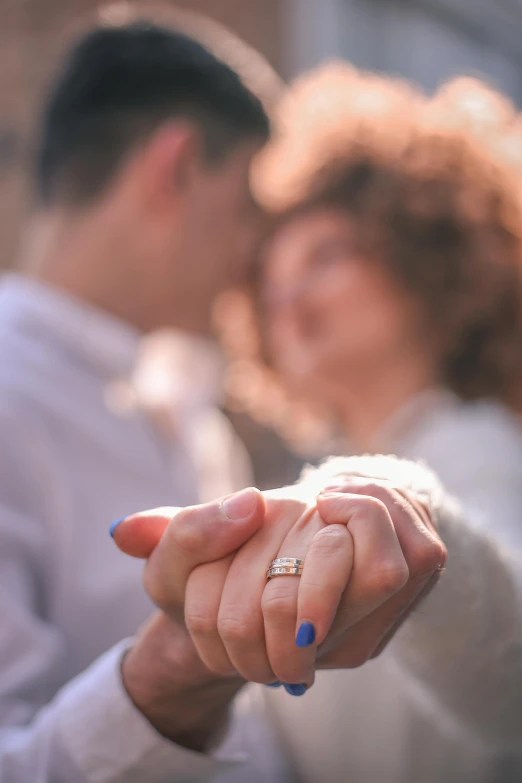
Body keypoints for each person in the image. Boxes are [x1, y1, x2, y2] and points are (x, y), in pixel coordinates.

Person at [0, 14, 450, 783]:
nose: (256, 261)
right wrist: (166, 682)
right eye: (250, 207)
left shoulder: (189, 414)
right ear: (174, 167)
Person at [211, 63, 522, 781]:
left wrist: (414, 517)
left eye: (325, 254)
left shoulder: (481, 446)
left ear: (426, 259)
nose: (288, 295)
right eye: (271, 278)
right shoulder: (296, 486)